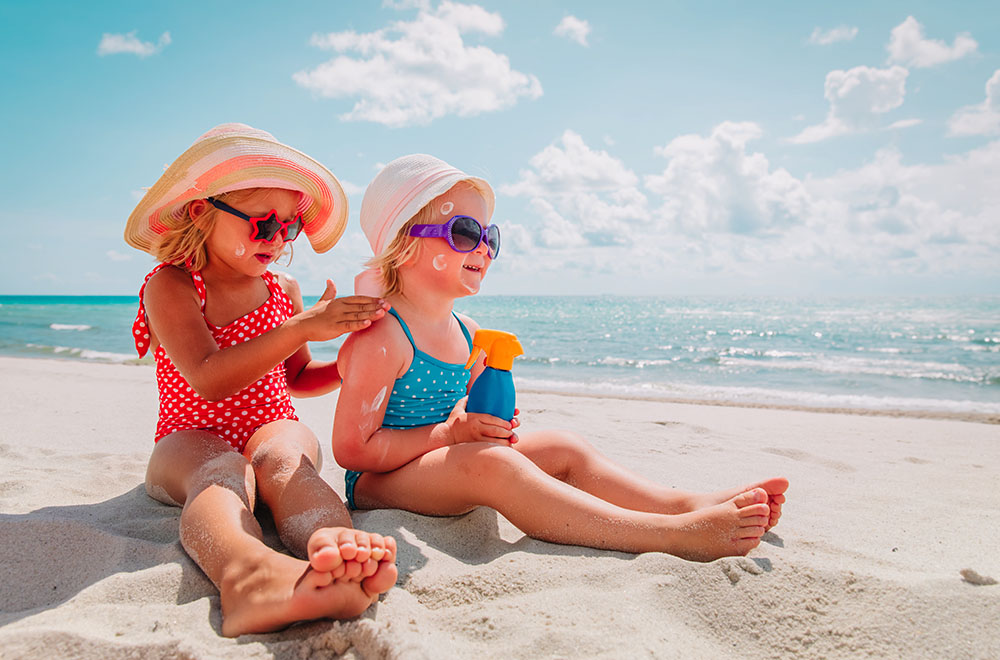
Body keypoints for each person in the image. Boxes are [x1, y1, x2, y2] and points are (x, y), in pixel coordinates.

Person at [332, 154, 788, 562]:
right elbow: (353, 450)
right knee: (496, 466)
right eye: (466, 232)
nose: (484, 248)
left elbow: (464, 412)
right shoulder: (384, 337)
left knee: (563, 447)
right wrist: (451, 434)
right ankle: (668, 535)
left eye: (490, 236)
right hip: (380, 483)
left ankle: (684, 505)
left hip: (449, 464)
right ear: (403, 246)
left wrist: (484, 423)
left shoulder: (468, 332)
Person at [123, 123, 397, 636]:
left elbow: (297, 377)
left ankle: (335, 549)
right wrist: (304, 326)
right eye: (264, 224)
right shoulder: (174, 285)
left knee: (284, 460)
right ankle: (245, 573)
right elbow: (208, 378)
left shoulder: (283, 289)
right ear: (202, 212)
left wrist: (349, 364)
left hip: (271, 422)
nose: (277, 240)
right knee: (222, 469)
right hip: (188, 435)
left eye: (288, 228)